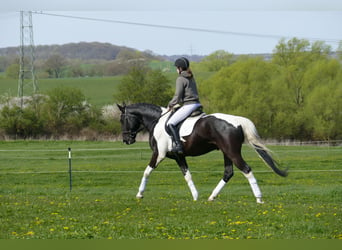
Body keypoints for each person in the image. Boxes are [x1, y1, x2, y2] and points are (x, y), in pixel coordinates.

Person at [166, 57, 202, 154]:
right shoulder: (191, 77)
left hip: (189, 105)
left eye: (177, 68)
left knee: (171, 123)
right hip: (197, 104)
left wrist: (170, 104)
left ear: (180, 68)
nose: (176, 70)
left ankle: (178, 146)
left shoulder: (181, 79)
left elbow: (177, 96)